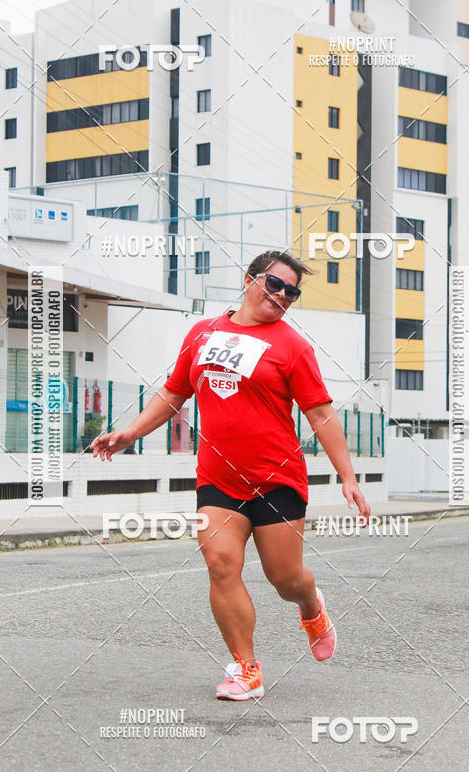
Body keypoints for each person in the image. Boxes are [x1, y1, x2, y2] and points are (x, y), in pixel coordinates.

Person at [92, 250, 371, 700]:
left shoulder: (293, 346)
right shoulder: (202, 333)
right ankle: (247, 669)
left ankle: (311, 604)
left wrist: (348, 477)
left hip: (277, 479)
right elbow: (174, 391)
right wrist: (130, 432)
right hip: (219, 480)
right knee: (221, 564)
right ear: (249, 280)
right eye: (274, 284)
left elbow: (319, 413)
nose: (281, 296)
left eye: (291, 292)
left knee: (285, 579)